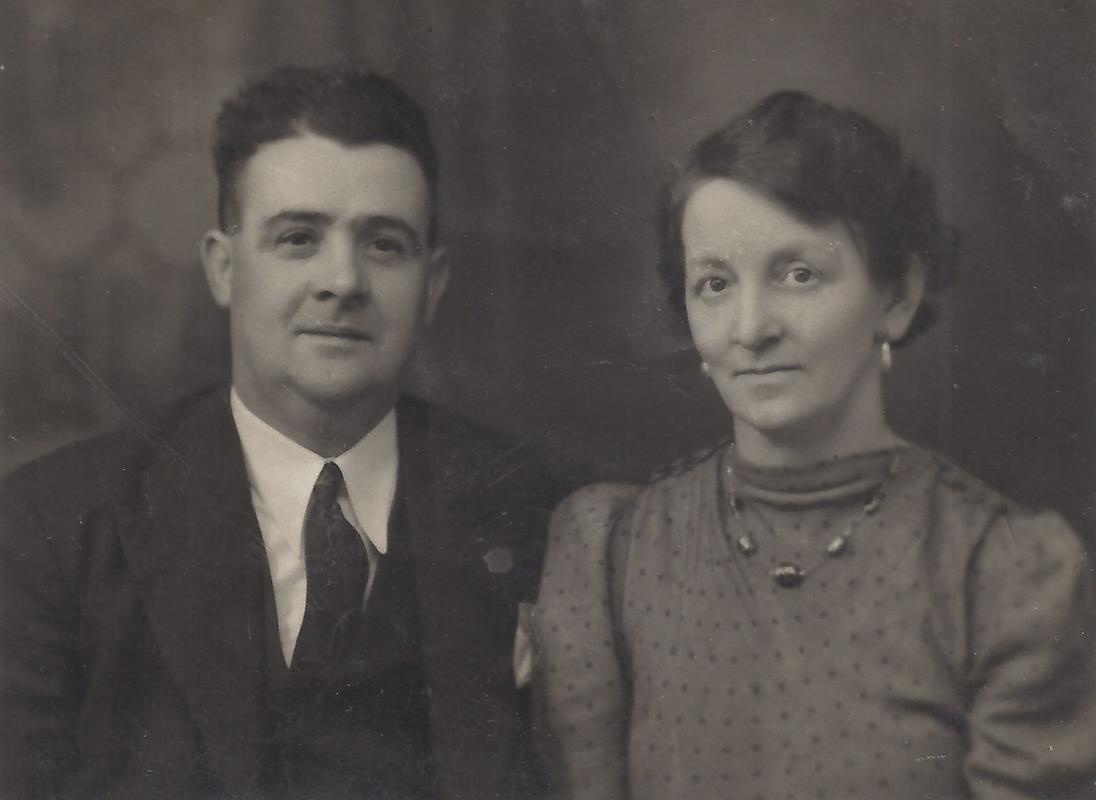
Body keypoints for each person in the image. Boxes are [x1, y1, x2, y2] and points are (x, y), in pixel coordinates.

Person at [0, 65, 579, 800]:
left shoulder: (552, 516)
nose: (342, 280)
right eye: (299, 238)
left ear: (431, 286)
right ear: (223, 268)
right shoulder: (52, 530)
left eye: (384, 245)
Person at [532, 90, 1096, 799]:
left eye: (799, 274)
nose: (751, 327)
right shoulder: (612, 551)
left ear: (896, 295)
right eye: (714, 284)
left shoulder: (1004, 572)